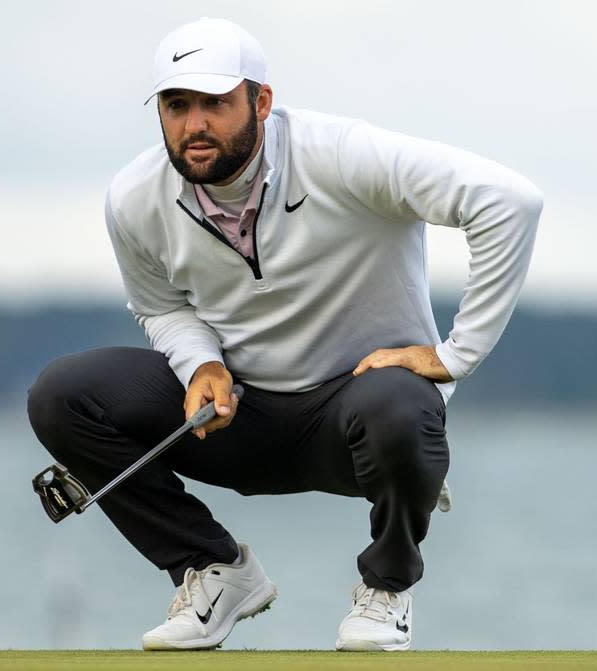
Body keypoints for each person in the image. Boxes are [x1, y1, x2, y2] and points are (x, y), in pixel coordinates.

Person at [27, 17, 543, 651]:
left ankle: (387, 588)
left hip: (356, 417)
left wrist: (456, 356)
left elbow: (509, 201)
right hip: (233, 416)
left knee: (399, 401)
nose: (194, 125)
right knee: (62, 395)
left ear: (261, 102)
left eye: (215, 103)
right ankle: (212, 572)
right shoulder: (134, 198)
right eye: (176, 105)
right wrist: (199, 366)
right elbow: (160, 306)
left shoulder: (342, 153)